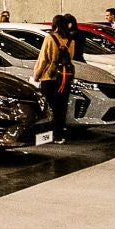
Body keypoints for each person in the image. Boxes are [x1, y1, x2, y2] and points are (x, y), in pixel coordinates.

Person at [32, 13, 79, 144]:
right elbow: (72, 57)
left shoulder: (50, 38)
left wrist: (37, 75)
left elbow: (43, 59)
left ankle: (48, 133)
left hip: (49, 76)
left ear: (55, 25)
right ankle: (59, 135)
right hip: (64, 77)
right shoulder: (71, 40)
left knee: (49, 106)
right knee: (61, 106)